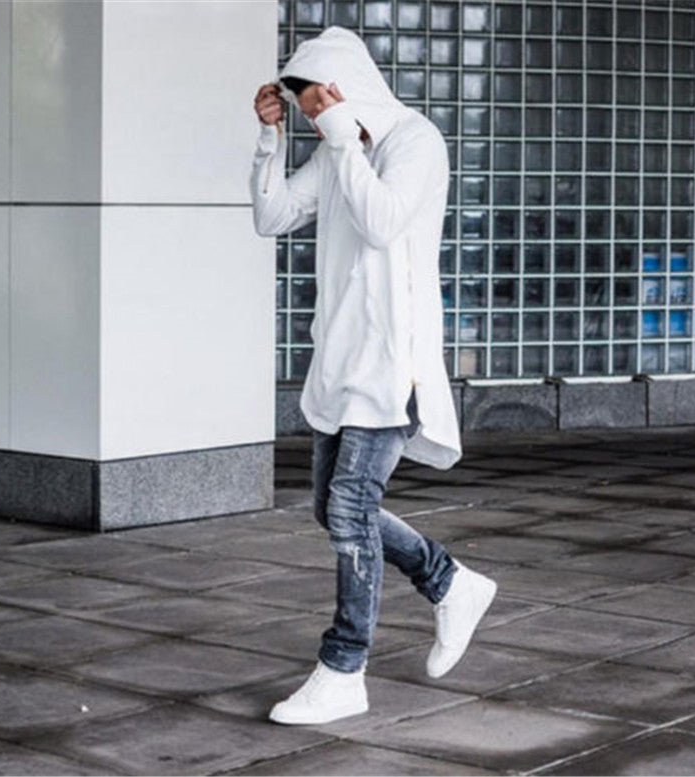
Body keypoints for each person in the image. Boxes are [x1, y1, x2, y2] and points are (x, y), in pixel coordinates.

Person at [249, 26, 497, 726]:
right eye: (303, 111)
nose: (310, 119)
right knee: (332, 508)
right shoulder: (337, 151)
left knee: (351, 507)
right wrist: (270, 141)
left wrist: (337, 139)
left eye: (314, 106)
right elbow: (272, 216)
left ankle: (344, 667)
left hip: (393, 364)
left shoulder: (416, 140)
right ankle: (450, 583)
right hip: (340, 362)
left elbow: (383, 221)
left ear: (343, 90)